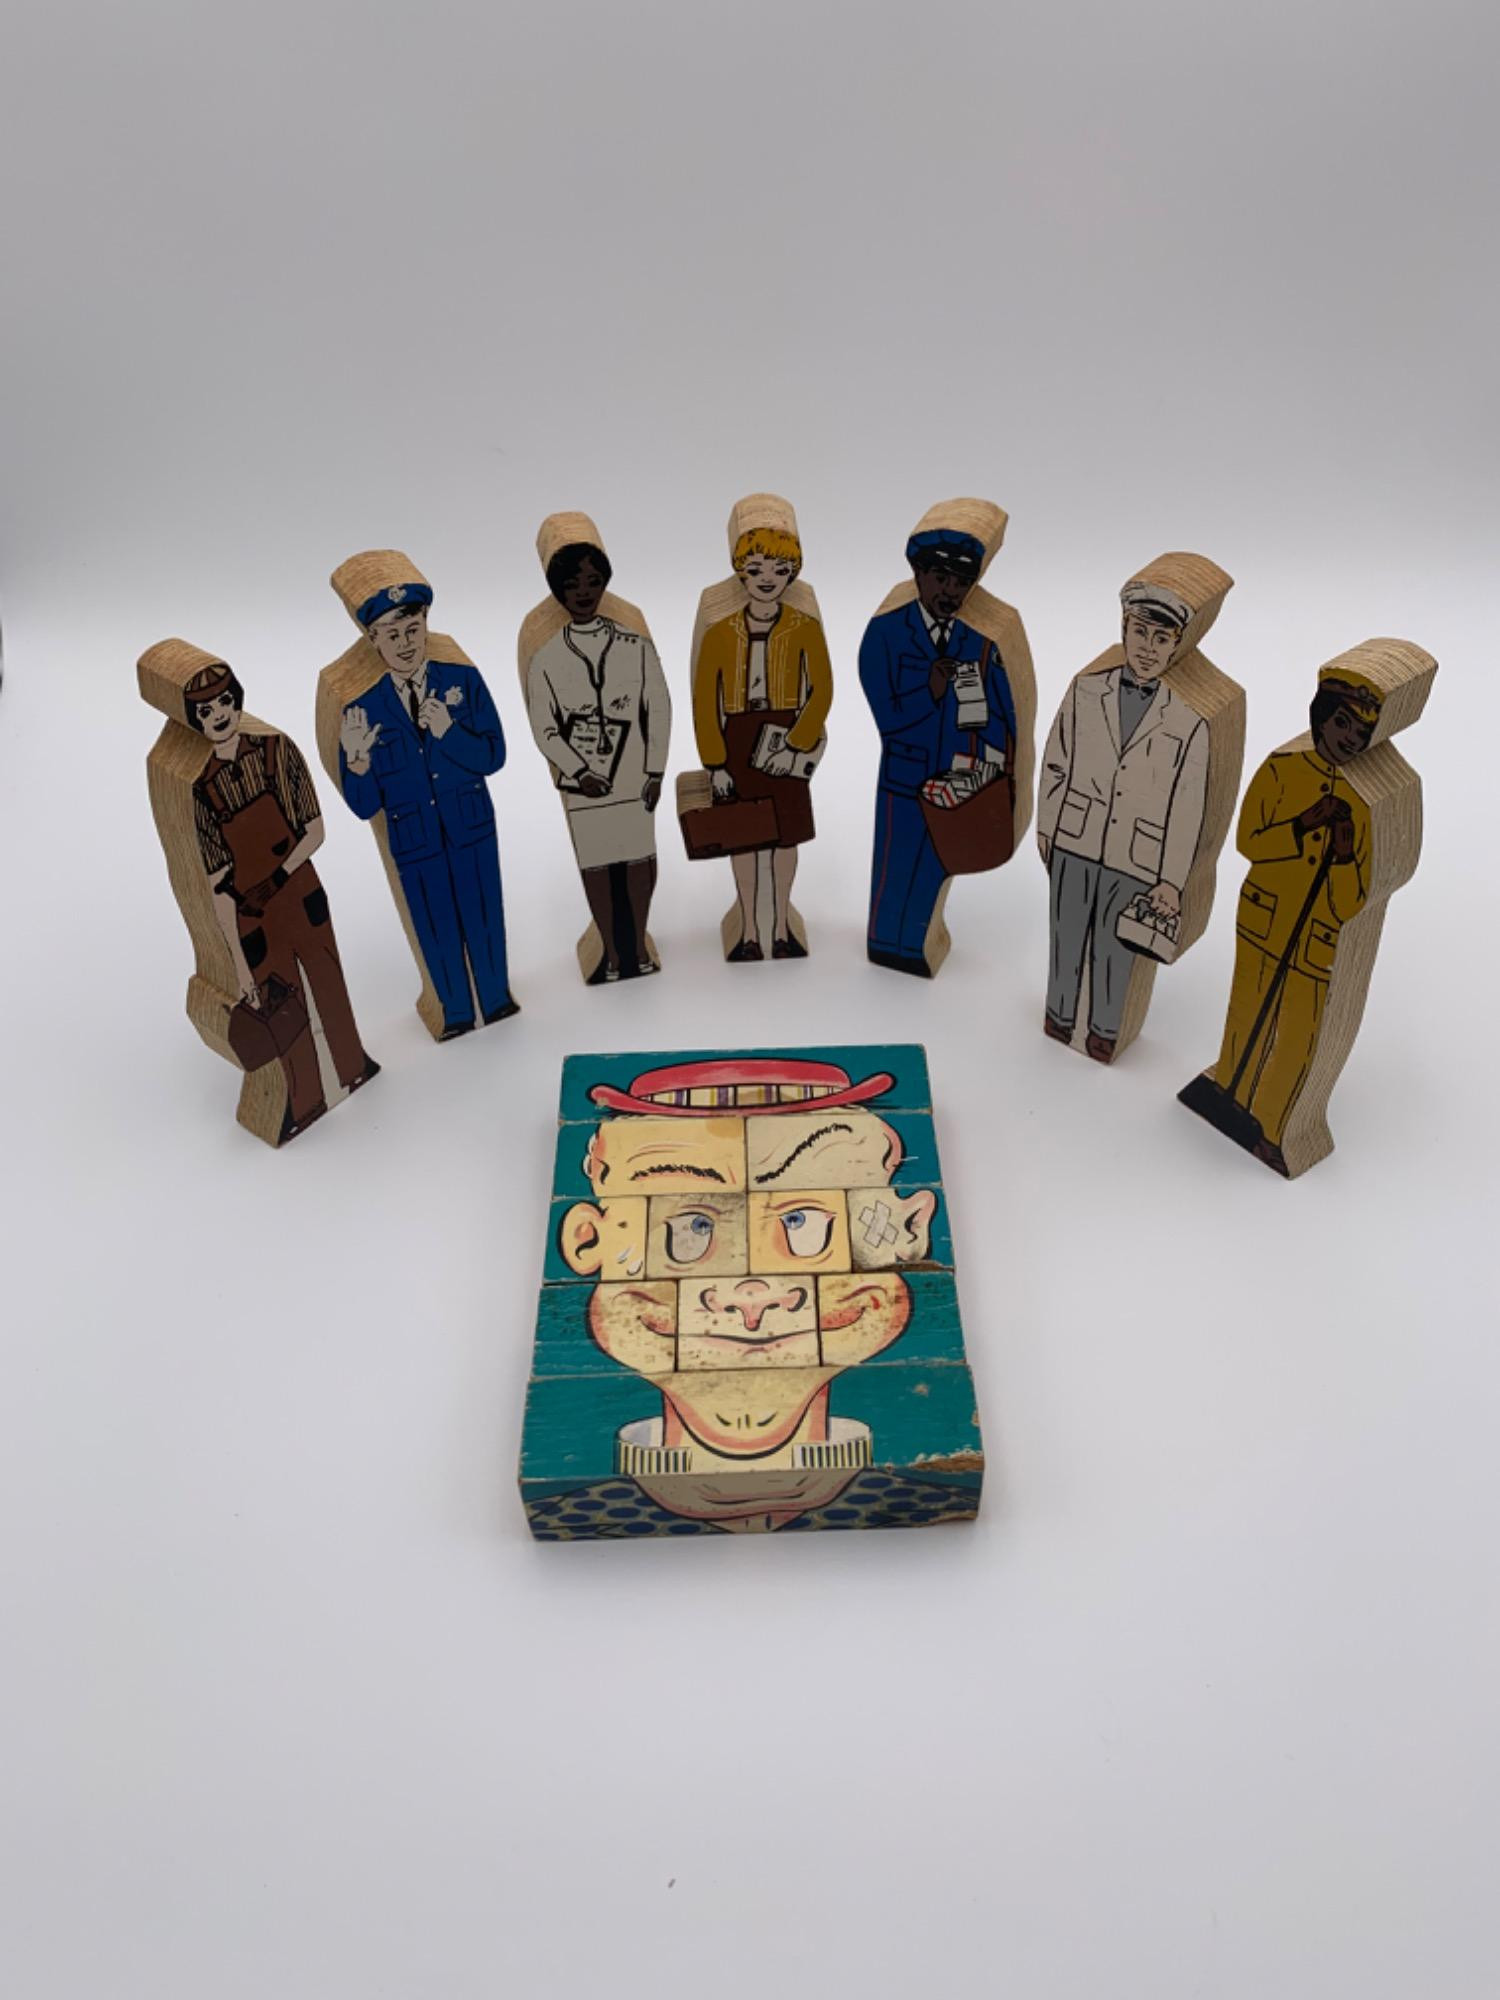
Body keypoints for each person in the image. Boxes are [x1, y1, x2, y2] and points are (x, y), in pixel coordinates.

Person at [526, 1057, 977, 1537]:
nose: (751, 1297)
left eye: (804, 1223)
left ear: (908, 1231)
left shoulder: (934, 1485)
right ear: (587, 1240)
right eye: (689, 1230)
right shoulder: (571, 1501)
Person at [1183, 668, 1378, 1175]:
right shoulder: (1283, 767)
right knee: (1247, 1009)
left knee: (1298, 1033)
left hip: (1318, 941)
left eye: (1361, 731)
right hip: (1264, 918)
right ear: (1321, 718)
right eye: (1342, 723)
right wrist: (1303, 823)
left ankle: (1272, 1125)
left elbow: (1354, 900)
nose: (1349, 738)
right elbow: (1249, 841)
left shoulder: (1369, 799)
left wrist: (1342, 855)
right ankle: (1231, 1093)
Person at [186, 661, 377, 1143]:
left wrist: (278, 876)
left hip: (298, 890)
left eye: (224, 702)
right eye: (205, 711)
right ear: (196, 720)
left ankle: (353, 1067)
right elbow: (217, 883)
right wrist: (239, 966)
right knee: (282, 1005)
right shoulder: (200, 789)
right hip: (252, 915)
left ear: (237, 701)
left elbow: (314, 830)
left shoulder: (276, 750)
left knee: (328, 979)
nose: (218, 715)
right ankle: (303, 1098)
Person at [333, 557, 518, 1039]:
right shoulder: (362, 707)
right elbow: (363, 805)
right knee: (434, 924)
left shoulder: (461, 680)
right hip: (414, 839)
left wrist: (449, 732)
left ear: (426, 625)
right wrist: (356, 760)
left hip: (470, 823)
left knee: (483, 910)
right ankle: (455, 1011)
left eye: (413, 630)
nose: (405, 644)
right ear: (372, 640)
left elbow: (494, 755)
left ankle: (496, 998)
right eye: (391, 635)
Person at [1035, 577, 1210, 1062]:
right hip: (1076, 837)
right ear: (1124, 630)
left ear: (1176, 644)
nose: (1148, 648)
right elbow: (1056, 761)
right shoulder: (1085, 690)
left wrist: (1171, 881)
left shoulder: (1189, 721)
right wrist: (1047, 826)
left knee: (1116, 952)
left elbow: (1187, 810)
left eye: (1162, 638)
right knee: (1066, 934)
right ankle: (1059, 1016)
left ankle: (1104, 1032)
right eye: (1140, 633)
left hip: (1136, 857)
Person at [860, 525, 1018, 974]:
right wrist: (929, 689)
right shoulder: (887, 632)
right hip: (904, 776)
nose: (950, 592)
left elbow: (1001, 711)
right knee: (896, 863)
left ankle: (917, 942)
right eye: (941, 579)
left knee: (939, 862)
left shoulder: (979, 638)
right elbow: (886, 715)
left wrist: (1000, 769)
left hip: (959, 779)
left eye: (961, 582)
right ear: (919, 575)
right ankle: (889, 944)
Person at [525, 538, 670, 980]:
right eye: (572, 585)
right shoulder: (546, 658)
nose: (584, 592)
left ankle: (638, 944)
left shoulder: (635, 645)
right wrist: (579, 770)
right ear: (557, 591)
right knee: (597, 868)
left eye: (592, 581)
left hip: (633, 779)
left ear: (605, 581)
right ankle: (610, 951)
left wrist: (655, 771)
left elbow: (658, 708)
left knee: (641, 863)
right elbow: (544, 727)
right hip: (586, 788)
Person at [691, 525, 832, 959]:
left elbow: (822, 690)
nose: (767, 578)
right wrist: (715, 764)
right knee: (745, 837)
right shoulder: (720, 632)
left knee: (786, 837)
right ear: (741, 573)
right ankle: (750, 930)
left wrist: (798, 742)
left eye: (779, 569)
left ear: (792, 573)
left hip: (786, 734)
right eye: (755, 569)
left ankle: (782, 924)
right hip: (738, 738)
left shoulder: (804, 627)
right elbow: (704, 701)